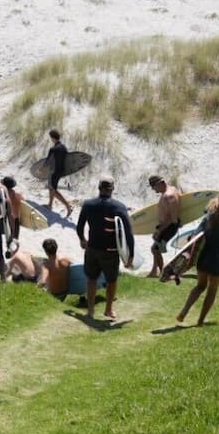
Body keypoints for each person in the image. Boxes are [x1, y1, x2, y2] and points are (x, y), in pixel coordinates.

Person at [175, 192, 219, 326]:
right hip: (218, 261)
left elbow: (193, 237)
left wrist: (188, 256)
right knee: (212, 290)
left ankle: (184, 311)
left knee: (199, 286)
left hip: (204, 258)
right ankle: (200, 321)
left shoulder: (208, 219)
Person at [76, 176, 133, 320]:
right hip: (110, 251)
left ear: (99, 188)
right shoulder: (119, 206)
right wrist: (130, 255)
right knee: (111, 281)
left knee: (91, 279)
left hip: (92, 249)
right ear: (112, 189)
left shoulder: (88, 204)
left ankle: (90, 311)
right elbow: (128, 232)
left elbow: (79, 226)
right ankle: (108, 310)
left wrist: (82, 239)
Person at [147, 174, 181, 278]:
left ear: (160, 183)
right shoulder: (172, 190)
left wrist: (159, 231)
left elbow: (172, 218)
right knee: (155, 247)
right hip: (165, 225)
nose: (152, 189)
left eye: (153, 186)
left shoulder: (169, 196)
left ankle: (163, 273)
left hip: (169, 226)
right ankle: (154, 271)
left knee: (155, 249)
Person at [44, 130, 73, 217]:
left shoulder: (53, 149)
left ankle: (68, 206)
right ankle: (50, 205)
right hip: (61, 171)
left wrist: (41, 170)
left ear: (52, 138)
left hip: (53, 172)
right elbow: (67, 160)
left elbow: (47, 162)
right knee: (52, 189)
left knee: (53, 190)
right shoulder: (64, 147)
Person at [0, 176, 24, 247]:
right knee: (14, 241)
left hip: (7, 219)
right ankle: (13, 255)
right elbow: (24, 206)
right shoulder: (19, 195)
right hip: (16, 221)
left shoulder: (3, 195)